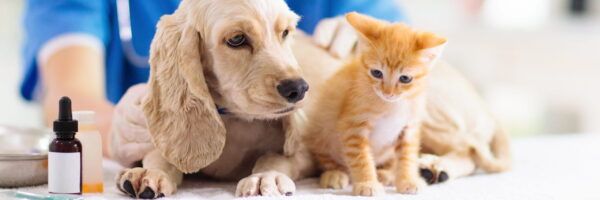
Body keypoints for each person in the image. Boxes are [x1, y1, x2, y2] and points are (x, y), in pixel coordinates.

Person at [22, 0, 406, 156]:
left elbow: (408, 47)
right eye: (237, 39)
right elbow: (70, 96)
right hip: (147, 161)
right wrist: (123, 130)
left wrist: (376, 44)